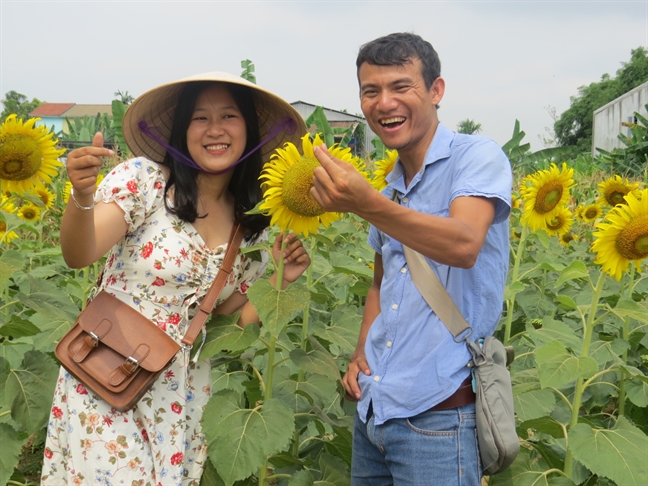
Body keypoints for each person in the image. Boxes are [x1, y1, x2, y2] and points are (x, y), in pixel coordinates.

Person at [42, 72, 310, 485]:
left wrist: (280, 279)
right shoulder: (146, 182)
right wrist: (81, 198)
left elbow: (227, 323)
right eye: (200, 118)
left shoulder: (253, 226)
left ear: (250, 131)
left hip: (180, 396)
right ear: (182, 130)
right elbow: (80, 254)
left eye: (229, 116)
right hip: (106, 377)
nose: (215, 130)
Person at [310, 33, 512, 485]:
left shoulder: (476, 157)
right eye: (370, 91)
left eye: (401, 87)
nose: (385, 103)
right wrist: (361, 351)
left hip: (439, 416)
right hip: (376, 411)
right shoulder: (391, 188)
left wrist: (366, 204)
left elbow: (464, 245)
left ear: (436, 91)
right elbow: (381, 283)